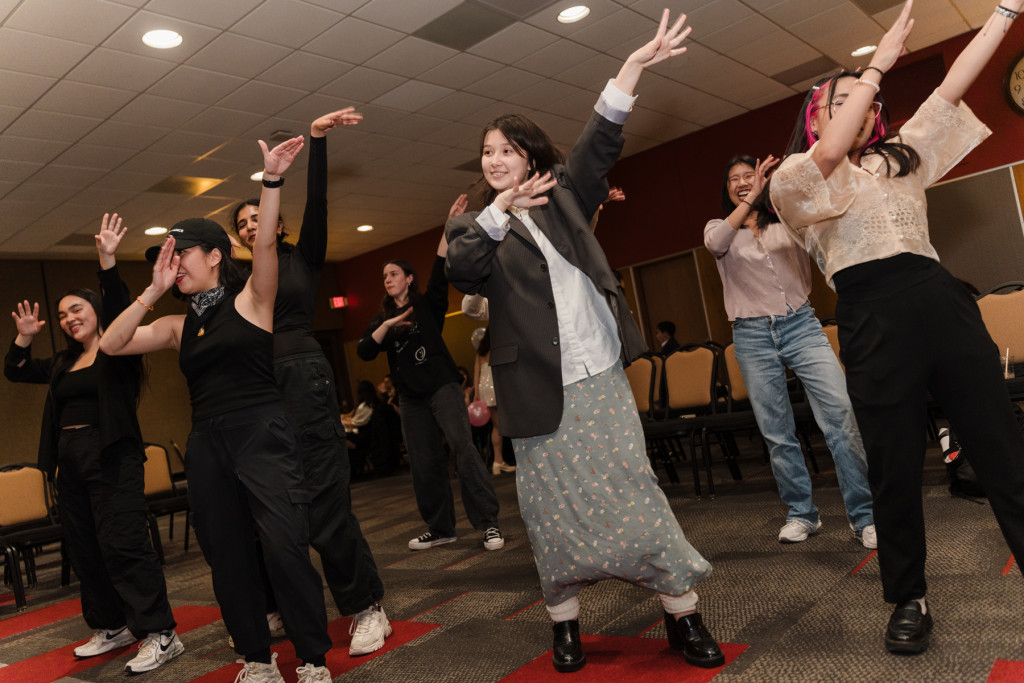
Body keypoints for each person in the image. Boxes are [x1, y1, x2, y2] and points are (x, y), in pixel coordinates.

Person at [445, 10, 723, 674]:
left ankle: (683, 612)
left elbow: (601, 138)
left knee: (634, 487)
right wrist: (498, 210)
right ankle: (563, 623)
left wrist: (633, 66)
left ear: (531, 155)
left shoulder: (567, 192)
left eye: (507, 150)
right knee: (550, 509)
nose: (496, 160)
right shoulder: (475, 225)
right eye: (488, 153)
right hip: (532, 385)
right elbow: (460, 267)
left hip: (596, 370)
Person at [766, 0, 1024, 654]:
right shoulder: (796, 181)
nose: (864, 101)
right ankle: (909, 597)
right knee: (893, 468)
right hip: (871, 315)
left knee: (1002, 447)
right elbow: (827, 152)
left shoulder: (901, 158)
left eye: (868, 95)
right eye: (846, 97)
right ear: (818, 114)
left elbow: (953, 85)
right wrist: (877, 64)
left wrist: (1003, 12)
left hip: (939, 299)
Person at [99, 136, 335, 683]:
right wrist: (151, 291)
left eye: (180, 255)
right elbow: (111, 346)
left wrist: (270, 178)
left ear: (214, 256)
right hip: (208, 443)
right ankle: (257, 658)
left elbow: (270, 248)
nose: (174, 264)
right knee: (226, 555)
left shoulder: (253, 300)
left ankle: (314, 659)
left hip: (262, 433)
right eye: (167, 258)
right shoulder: (178, 326)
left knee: (283, 547)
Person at [232, 108, 389, 657]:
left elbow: (318, 202)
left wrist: (317, 141)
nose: (253, 226)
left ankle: (366, 607)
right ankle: (283, 604)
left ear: (278, 223)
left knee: (325, 506)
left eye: (260, 218)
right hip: (256, 394)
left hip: (304, 381)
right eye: (243, 225)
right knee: (270, 510)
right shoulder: (238, 280)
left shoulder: (303, 259)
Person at [4, 215, 181, 674]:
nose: (68, 319)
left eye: (76, 310)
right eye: (62, 315)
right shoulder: (64, 362)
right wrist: (23, 338)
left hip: (113, 457)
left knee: (124, 544)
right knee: (85, 548)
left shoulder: (118, 350)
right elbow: (17, 370)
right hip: (71, 464)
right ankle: (111, 625)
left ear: (97, 312)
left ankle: (161, 633)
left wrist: (107, 260)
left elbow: (123, 304)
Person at [705, 154, 876, 547]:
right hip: (751, 335)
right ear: (726, 189)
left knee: (840, 415)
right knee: (777, 432)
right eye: (735, 179)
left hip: (801, 324)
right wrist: (755, 196)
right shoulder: (719, 229)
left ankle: (864, 516)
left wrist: (775, 194)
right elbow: (716, 243)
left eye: (750, 175)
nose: (743, 181)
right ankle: (802, 513)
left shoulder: (787, 219)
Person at [356, 234, 504, 553]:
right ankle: (440, 528)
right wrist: (389, 324)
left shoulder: (427, 305)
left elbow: (439, 271)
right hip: (411, 398)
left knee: (463, 449)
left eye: (394, 273)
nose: (387, 279)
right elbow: (365, 350)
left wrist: (447, 232)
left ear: (409, 278)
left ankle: (489, 522)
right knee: (423, 462)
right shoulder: (381, 318)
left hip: (443, 387)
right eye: (384, 276)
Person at [471, 326, 516, 475]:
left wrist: (477, 393)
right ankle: (502, 460)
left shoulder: (480, 351)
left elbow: (476, 373)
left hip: (485, 388)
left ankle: (498, 461)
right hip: (498, 386)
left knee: (496, 426)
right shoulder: (499, 346)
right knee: (507, 424)